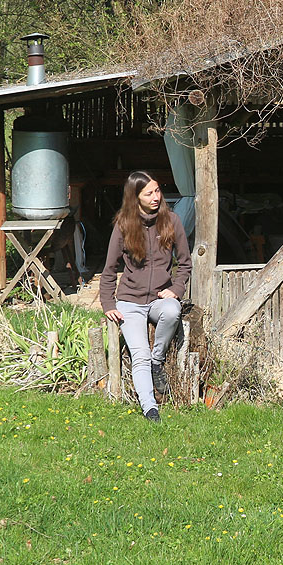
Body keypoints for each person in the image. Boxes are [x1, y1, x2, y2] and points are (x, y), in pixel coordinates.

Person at [100, 170, 192, 423]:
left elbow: (185, 263)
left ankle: (157, 361)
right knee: (138, 353)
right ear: (135, 197)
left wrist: (176, 289)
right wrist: (108, 303)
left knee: (173, 310)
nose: (156, 196)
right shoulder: (123, 226)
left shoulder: (172, 221)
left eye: (157, 190)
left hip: (159, 299)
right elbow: (109, 269)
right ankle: (150, 408)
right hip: (130, 301)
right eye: (148, 193)